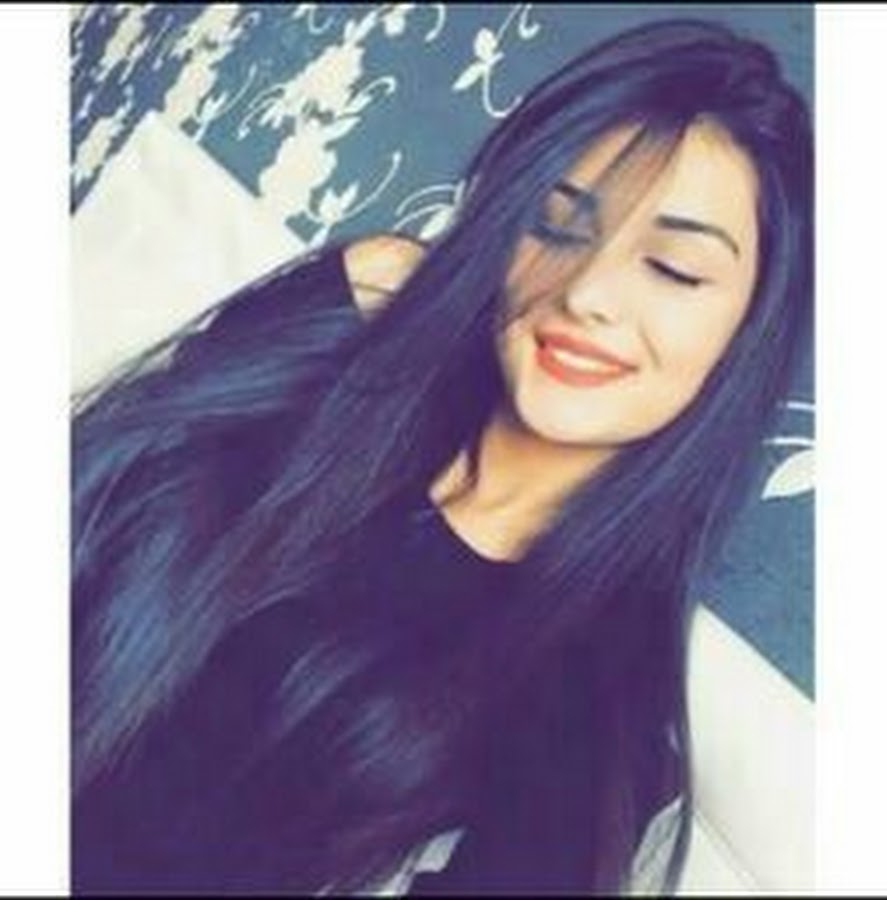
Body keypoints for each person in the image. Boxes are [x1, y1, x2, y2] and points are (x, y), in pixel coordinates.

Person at [71, 18, 812, 896]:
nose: (586, 294)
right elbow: (134, 454)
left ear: (746, 335)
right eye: (558, 228)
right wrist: (366, 282)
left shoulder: (590, 715)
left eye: (675, 269)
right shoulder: (344, 395)